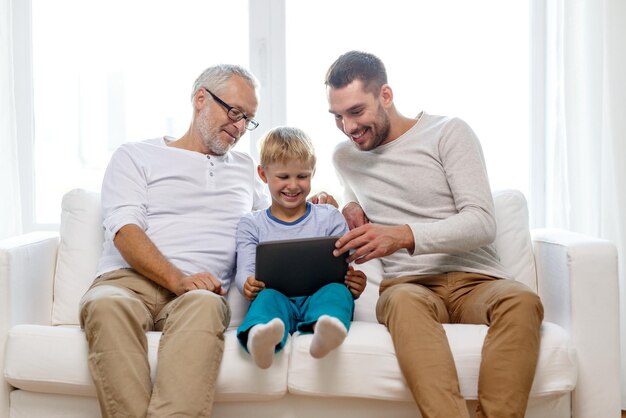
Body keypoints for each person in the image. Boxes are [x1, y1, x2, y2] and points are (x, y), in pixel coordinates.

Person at [78, 65, 338, 417]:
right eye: (234, 112)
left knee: (206, 306)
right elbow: (125, 229)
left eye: (249, 119)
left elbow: (277, 223)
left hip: (200, 295)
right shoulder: (136, 155)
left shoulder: (247, 168)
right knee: (105, 305)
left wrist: (319, 203)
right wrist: (177, 279)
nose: (240, 126)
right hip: (127, 284)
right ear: (201, 99)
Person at [325, 51, 544, 418]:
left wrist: (402, 236)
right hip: (410, 286)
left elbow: (481, 222)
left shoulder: (447, 132)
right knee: (400, 304)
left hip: (478, 280)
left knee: (522, 301)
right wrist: (346, 204)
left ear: (386, 96)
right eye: (337, 117)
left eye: (356, 112)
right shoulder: (345, 157)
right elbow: (352, 194)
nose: (348, 127)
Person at [234, 126, 367, 369]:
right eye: (283, 177)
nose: (293, 185)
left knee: (336, 292)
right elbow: (244, 268)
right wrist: (247, 282)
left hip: (318, 297)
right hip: (277, 298)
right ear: (263, 174)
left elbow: (346, 268)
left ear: (313, 172)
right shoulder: (251, 223)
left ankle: (324, 330)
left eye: (302, 176)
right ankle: (261, 338)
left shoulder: (329, 217)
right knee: (267, 298)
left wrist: (355, 282)